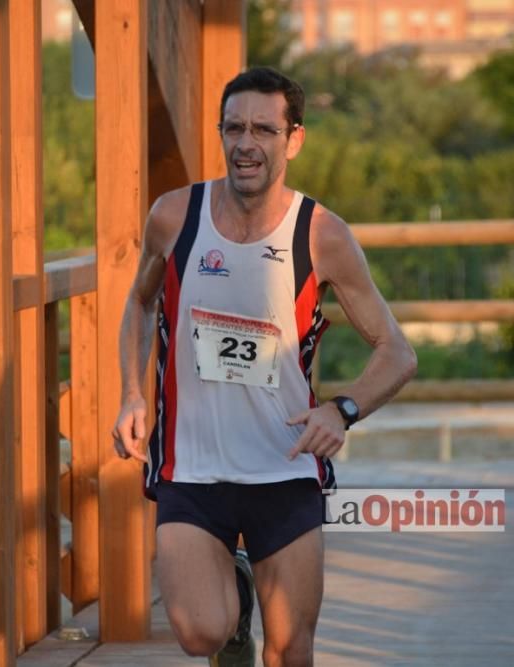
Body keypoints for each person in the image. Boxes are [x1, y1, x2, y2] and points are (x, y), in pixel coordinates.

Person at [111, 67, 417, 667]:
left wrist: (343, 408)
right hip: (191, 468)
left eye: (263, 130)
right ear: (221, 134)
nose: (246, 143)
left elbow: (396, 353)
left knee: (291, 651)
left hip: (284, 468)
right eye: (234, 128)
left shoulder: (321, 235)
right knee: (200, 632)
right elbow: (140, 302)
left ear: (293, 139)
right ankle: (234, 609)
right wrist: (131, 393)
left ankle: (245, 594)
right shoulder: (175, 217)